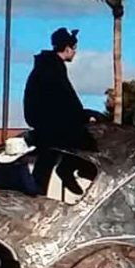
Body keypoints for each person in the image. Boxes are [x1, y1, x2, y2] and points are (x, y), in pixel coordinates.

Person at [23, 27, 96, 195]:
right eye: (74, 48)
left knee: (46, 160)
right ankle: (70, 167)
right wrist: (84, 116)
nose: (75, 52)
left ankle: (38, 192)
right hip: (49, 121)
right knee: (86, 138)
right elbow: (67, 96)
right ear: (67, 48)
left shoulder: (46, 65)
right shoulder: (53, 67)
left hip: (44, 120)